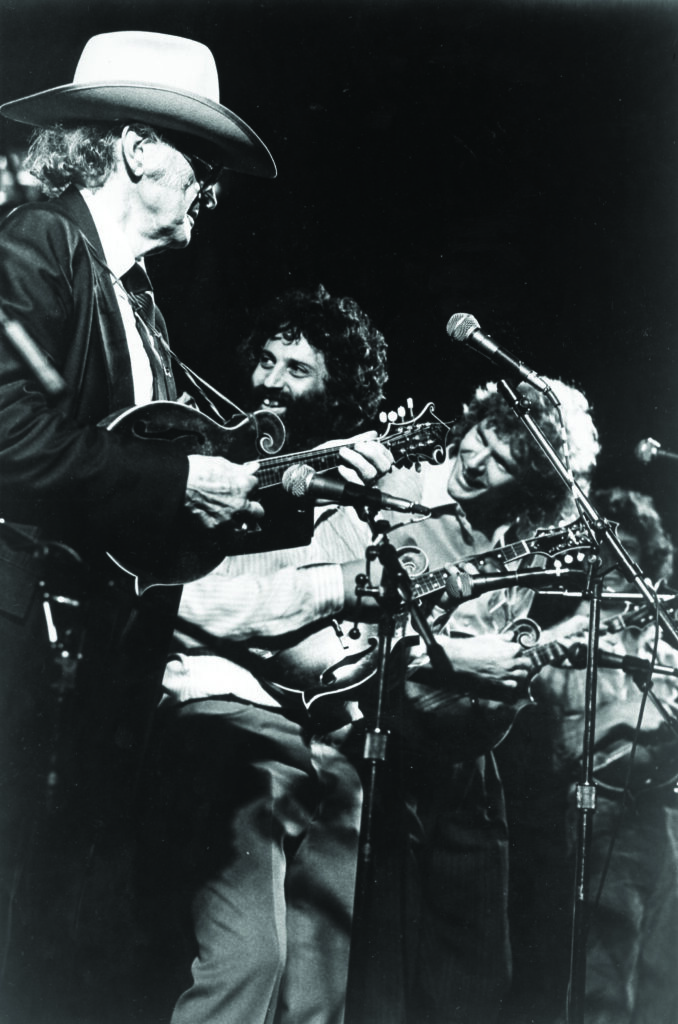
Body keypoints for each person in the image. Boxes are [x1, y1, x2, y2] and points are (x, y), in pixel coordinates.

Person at [0, 30, 276, 1022]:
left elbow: (139, 480)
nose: (213, 190)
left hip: (97, 662)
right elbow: (9, 436)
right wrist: (178, 481)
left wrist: (245, 492)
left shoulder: (142, 303)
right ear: (135, 148)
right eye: (201, 162)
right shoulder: (37, 243)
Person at [140, 284, 395, 1024]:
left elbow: (351, 643)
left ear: (336, 395)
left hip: (328, 747)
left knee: (317, 994)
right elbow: (188, 604)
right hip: (226, 726)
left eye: (298, 369)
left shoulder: (349, 501)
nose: (271, 382)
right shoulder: (212, 468)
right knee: (248, 963)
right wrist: (330, 591)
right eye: (268, 361)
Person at [347, 377, 600, 1024]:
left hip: (467, 768)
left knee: (476, 972)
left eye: (503, 462)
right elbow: (364, 634)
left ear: (529, 487)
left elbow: (496, 649)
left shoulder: (516, 545)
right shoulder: (399, 492)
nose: (476, 460)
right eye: (480, 436)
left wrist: (525, 655)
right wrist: (459, 653)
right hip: (388, 751)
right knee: (385, 966)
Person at [499, 488, 678, 1024]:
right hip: (600, 815)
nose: (618, 568)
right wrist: (626, 717)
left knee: (662, 976)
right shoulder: (569, 639)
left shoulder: (665, 642)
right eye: (607, 556)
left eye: (630, 555)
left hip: (665, 816)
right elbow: (559, 748)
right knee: (604, 972)